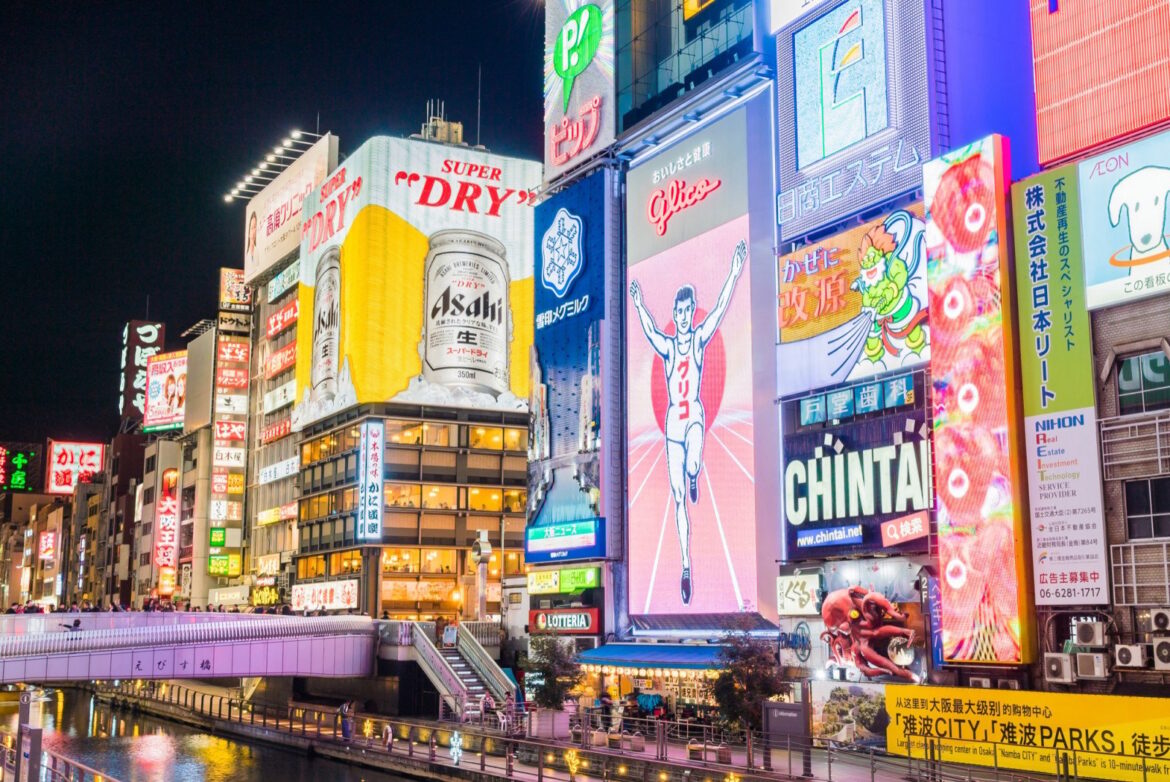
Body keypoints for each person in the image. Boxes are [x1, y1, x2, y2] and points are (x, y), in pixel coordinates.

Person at [628, 239, 746, 605]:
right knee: (678, 498)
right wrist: (639, 304)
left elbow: (721, 310)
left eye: (687, 310)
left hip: (693, 415)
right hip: (672, 425)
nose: (682, 315)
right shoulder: (668, 347)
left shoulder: (696, 341)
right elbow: (650, 331)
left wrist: (734, 272)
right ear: (675, 312)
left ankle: (695, 473)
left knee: (693, 463)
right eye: (678, 310)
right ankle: (685, 566)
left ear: (692, 311)